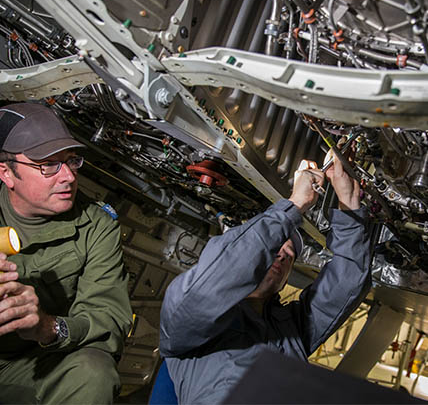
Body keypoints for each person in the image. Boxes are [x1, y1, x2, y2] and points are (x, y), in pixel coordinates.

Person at [159, 153, 372, 404]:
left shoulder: (290, 328)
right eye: (275, 248)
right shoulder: (186, 321)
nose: (282, 255)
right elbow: (218, 277)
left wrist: (348, 204)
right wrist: (295, 205)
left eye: (289, 255)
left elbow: (347, 282)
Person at [0, 103, 133, 404]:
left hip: (31, 367)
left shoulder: (95, 226)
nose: (69, 177)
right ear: (6, 173)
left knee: (93, 371)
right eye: (48, 165)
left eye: (71, 161)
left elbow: (107, 319)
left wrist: (45, 327)